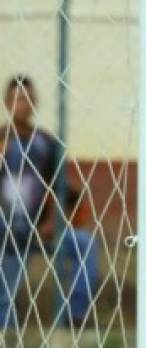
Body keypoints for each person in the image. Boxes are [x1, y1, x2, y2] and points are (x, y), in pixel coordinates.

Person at [1, 74, 99, 329]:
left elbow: (61, 187)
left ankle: (75, 316)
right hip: (4, 229)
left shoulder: (46, 143)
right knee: (6, 289)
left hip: (40, 230)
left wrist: (52, 221)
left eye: (29, 99)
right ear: (8, 104)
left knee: (84, 244)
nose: (24, 105)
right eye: (19, 99)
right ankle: (7, 337)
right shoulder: (2, 140)